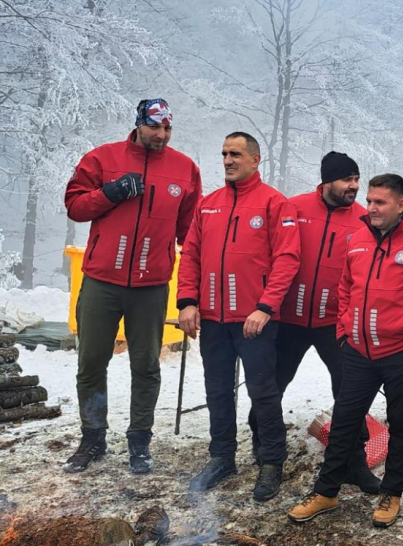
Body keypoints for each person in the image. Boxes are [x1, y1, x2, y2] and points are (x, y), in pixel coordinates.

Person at [287, 174, 403, 527]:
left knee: (402, 426)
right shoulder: (358, 238)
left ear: (400, 204)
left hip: (402, 353)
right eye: (369, 201)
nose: (371, 208)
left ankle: (391, 494)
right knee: (345, 424)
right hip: (358, 352)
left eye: (380, 202)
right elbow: (346, 287)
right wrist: (342, 331)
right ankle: (326, 492)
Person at [63, 98, 202, 474]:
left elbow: (191, 235)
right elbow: (75, 207)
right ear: (138, 124)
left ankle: (139, 442)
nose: (161, 134)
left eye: (167, 128)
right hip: (101, 280)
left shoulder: (185, 169)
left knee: (146, 366)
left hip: (152, 284)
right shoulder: (102, 159)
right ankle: (92, 438)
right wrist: (110, 193)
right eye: (155, 126)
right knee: (91, 363)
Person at [177, 132, 300, 501]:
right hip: (213, 318)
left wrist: (265, 307)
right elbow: (192, 255)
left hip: (254, 320)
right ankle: (222, 457)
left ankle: (271, 460)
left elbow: (287, 260)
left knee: (264, 391)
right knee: (217, 391)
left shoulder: (274, 204)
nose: (228, 160)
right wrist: (187, 301)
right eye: (224, 153)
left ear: (255, 159)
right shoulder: (208, 204)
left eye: (235, 154)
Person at [247, 151, 379, 493]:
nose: (354, 186)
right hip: (288, 317)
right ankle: (264, 447)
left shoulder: (364, 220)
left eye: (356, 179)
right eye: (346, 180)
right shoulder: (294, 207)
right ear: (326, 182)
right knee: (272, 383)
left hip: (332, 321)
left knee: (351, 390)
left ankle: (354, 461)